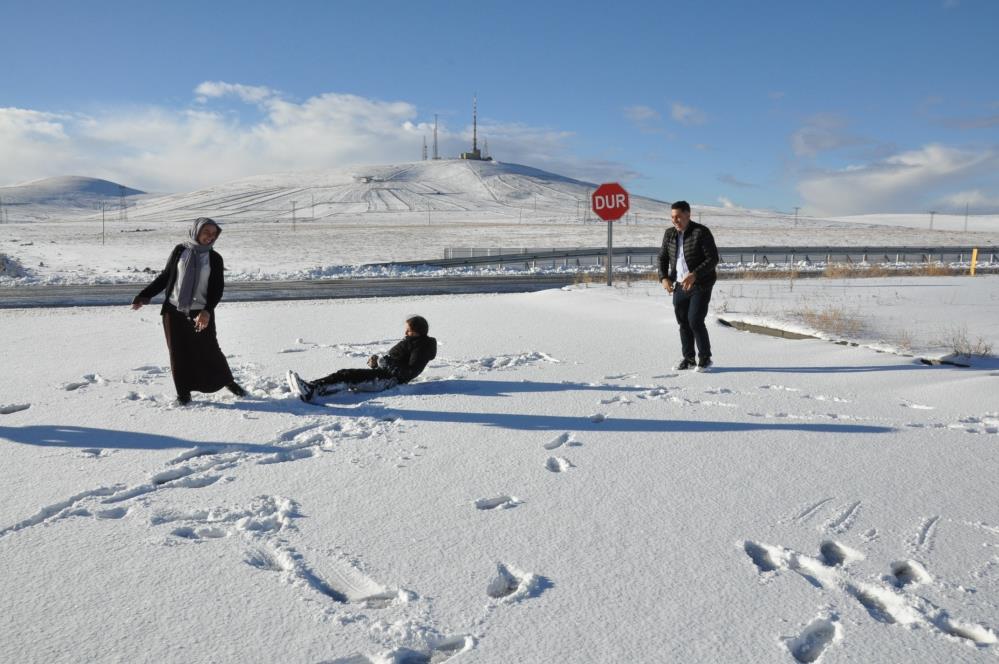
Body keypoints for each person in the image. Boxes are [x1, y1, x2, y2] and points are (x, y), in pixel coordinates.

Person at [131, 217, 246, 405]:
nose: (210, 237)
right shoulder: (180, 251)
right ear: (196, 231)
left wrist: (207, 311)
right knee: (178, 353)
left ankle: (227, 381)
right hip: (173, 311)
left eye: (213, 233)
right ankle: (183, 394)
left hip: (200, 312)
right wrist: (145, 295)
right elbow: (166, 276)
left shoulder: (214, 258)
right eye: (206, 232)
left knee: (210, 349)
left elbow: (217, 289)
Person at [287, 316, 437, 402]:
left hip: (389, 381)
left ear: (417, 331)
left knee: (348, 376)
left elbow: (408, 373)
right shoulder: (413, 342)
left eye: (409, 330)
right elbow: (397, 362)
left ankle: (311, 391)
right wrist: (377, 363)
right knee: (346, 374)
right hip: (385, 375)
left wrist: (383, 362)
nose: (405, 331)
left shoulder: (421, 347)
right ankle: (313, 386)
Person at [657, 201, 720, 372]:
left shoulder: (701, 232)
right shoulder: (669, 234)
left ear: (688, 215)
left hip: (700, 283)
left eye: (678, 216)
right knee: (683, 322)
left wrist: (695, 274)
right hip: (679, 284)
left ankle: (705, 358)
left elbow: (712, 259)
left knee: (695, 320)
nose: (674, 220)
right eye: (672, 217)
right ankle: (689, 358)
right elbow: (662, 258)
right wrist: (664, 278)